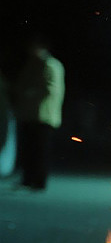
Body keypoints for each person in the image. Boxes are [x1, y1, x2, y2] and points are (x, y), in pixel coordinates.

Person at [12, 36, 65, 190]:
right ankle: (28, 179)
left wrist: (30, 93)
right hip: (30, 114)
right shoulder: (34, 64)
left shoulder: (50, 65)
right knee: (29, 148)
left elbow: (51, 89)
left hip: (44, 115)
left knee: (40, 150)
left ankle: (39, 181)